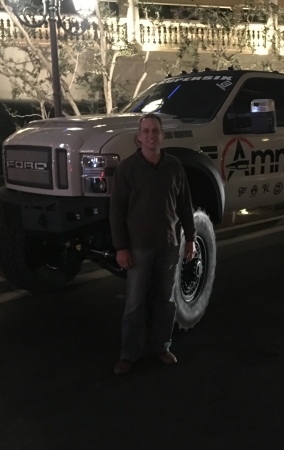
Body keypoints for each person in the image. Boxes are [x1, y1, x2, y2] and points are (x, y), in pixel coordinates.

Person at [110, 113, 196, 376]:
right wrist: (121, 247)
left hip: (169, 245)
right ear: (139, 137)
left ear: (162, 135)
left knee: (165, 300)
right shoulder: (127, 169)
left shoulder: (174, 166)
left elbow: (184, 205)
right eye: (145, 131)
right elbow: (116, 210)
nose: (150, 135)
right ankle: (129, 354)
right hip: (138, 247)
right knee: (134, 304)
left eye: (155, 131)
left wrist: (190, 238)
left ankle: (161, 346)